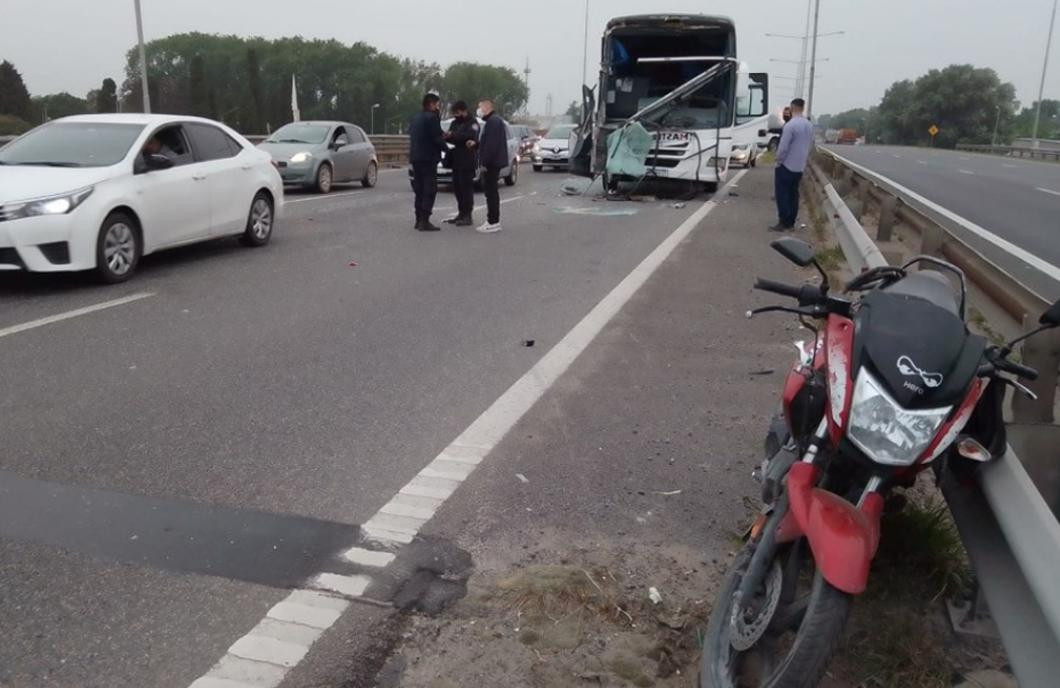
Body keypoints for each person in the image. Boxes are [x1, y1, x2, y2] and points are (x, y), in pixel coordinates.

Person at [771, 98, 814, 232]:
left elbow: (783, 147)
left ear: (792, 108)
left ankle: (783, 221)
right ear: (802, 108)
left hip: (786, 165)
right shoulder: (809, 125)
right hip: (799, 166)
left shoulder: (790, 126)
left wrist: (778, 159)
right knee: (794, 194)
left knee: (782, 194)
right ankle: (791, 221)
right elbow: (810, 145)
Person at [409, 93, 448, 232]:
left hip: (415, 158)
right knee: (429, 189)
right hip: (428, 158)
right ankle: (424, 221)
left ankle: (418, 219)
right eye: (437, 104)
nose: (438, 107)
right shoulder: (432, 118)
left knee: (419, 189)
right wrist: (447, 149)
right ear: (431, 104)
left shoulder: (415, 118)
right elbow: (436, 138)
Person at [445, 101, 480, 227]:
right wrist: (452, 136)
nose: (456, 115)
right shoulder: (455, 123)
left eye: (457, 113)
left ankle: (467, 215)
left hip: (467, 160)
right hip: (456, 159)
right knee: (457, 188)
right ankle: (461, 213)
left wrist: (455, 135)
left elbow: (470, 136)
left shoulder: (473, 123)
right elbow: (450, 136)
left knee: (466, 189)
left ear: (464, 111)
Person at [476, 99, 508, 234]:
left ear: (486, 108)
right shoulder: (493, 121)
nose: (478, 110)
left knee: (491, 192)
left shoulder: (493, 122)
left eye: (479, 107)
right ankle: (491, 220)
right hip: (494, 162)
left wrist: (484, 162)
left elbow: (491, 145)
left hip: (492, 163)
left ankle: (493, 221)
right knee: (491, 192)